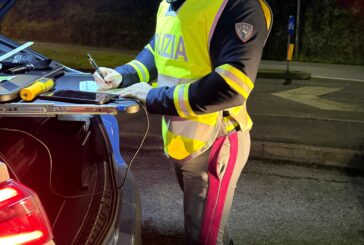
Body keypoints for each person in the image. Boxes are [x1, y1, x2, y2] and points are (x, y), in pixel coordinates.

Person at [93, 0, 272, 244]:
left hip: (217, 143)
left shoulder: (238, 6)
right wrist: (123, 75)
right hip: (184, 140)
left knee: (204, 238)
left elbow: (231, 86)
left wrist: (153, 96)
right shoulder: (170, 4)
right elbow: (157, 52)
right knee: (209, 229)